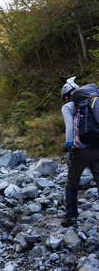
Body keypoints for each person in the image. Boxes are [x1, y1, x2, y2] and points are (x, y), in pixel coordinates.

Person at [61, 77, 99, 227]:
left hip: (81, 151)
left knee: (72, 182)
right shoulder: (91, 102)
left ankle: (71, 216)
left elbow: (70, 127)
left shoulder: (68, 107)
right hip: (97, 147)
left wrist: (68, 144)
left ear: (67, 94)